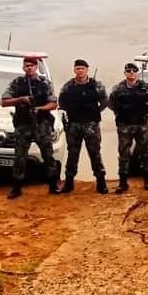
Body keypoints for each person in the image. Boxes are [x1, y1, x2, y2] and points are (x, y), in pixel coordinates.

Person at [0, 55, 60, 199]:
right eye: (26, 66)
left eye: (31, 66)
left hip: (42, 124)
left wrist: (40, 109)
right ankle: (16, 188)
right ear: (23, 68)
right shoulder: (17, 83)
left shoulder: (45, 83)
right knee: (20, 157)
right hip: (23, 125)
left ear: (36, 67)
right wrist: (20, 100)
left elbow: (53, 103)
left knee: (48, 156)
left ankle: (53, 185)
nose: (29, 68)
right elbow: (4, 101)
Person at [57, 59, 108, 195]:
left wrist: (95, 111)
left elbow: (105, 100)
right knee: (72, 154)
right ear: (74, 70)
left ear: (87, 70)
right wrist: (68, 111)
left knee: (95, 154)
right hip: (74, 124)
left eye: (82, 68)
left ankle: (101, 183)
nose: (80, 71)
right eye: (77, 68)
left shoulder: (96, 85)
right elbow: (61, 102)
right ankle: (68, 183)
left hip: (91, 124)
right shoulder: (68, 86)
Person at [108, 62, 148, 193]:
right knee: (124, 154)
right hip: (124, 125)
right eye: (128, 71)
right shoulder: (118, 88)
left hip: (141, 124)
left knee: (144, 152)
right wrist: (121, 112)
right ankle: (123, 183)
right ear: (125, 73)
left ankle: (147, 180)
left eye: (134, 71)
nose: (131, 73)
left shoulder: (145, 87)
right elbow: (111, 104)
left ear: (137, 72)